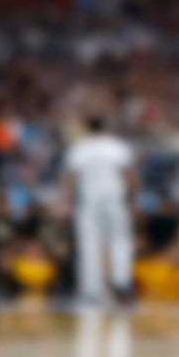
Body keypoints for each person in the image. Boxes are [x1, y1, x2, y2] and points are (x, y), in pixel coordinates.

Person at [62, 116, 136, 305]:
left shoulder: (80, 148)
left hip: (89, 201)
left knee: (89, 244)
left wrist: (67, 201)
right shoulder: (116, 147)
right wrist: (132, 199)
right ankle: (121, 284)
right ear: (104, 126)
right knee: (120, 242)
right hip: (114, 200)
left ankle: (91, 291)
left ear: (87, 127)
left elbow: (71, 177)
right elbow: (128, 175)